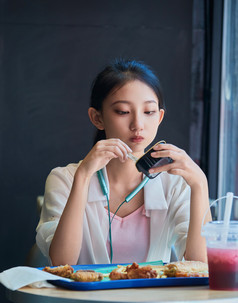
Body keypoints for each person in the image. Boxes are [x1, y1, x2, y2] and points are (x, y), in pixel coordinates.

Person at [36, 58, 211, 266]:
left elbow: (201, 265)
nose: (138, 125)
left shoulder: (175, 184)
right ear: (97, 118)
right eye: (123, 112)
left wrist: (200, 184)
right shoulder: (64, 179)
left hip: (152, 300)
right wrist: (83, 177)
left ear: (160, 117)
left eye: (149, 112)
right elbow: (61, 262)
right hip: (86, 300)